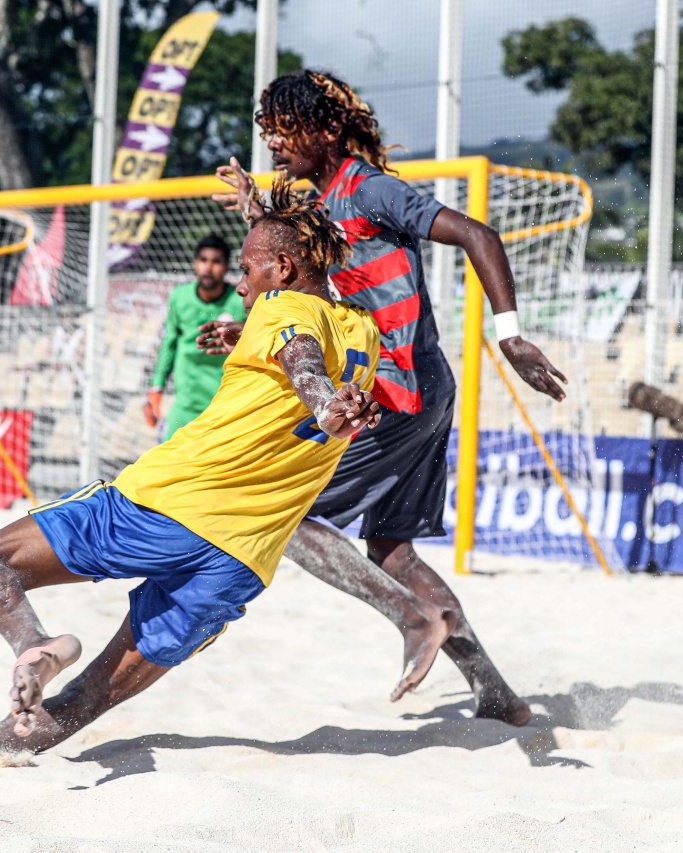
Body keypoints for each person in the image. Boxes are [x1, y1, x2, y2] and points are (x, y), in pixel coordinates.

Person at [0, 182, 456, 754]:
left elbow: (303, 360)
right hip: (239, 562)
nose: (240, 283)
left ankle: (33, 645)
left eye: (248, 269)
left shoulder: (280, 309)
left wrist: (321, 402)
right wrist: (315, 393)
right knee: (90, 699)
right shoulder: (363, 329)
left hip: (162, 507)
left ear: (283, 269)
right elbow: (310, 351)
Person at [206, 70, 570, 726]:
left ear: (327, 130)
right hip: (415, 388)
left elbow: (480, 235)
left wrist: (510, 336)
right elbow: (327, 295)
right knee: (391, 551)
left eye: (285, 131)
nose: (274, 144)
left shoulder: (369, 190)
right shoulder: (322, 206)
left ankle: (413, 620)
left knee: (286, 511)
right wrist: (259, 224)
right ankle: (497, 693)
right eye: (270, 134)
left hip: (400, 391)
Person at [144, 234, 248, 441]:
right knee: (165, 457)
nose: (208, 268)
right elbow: (169, 342)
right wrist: (157, 387)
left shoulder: (240, 301)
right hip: (185, 405)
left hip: (225, 405)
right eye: (203, 260)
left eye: (216, 261)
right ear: (194, 264)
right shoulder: (179, 297)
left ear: (227, 267)